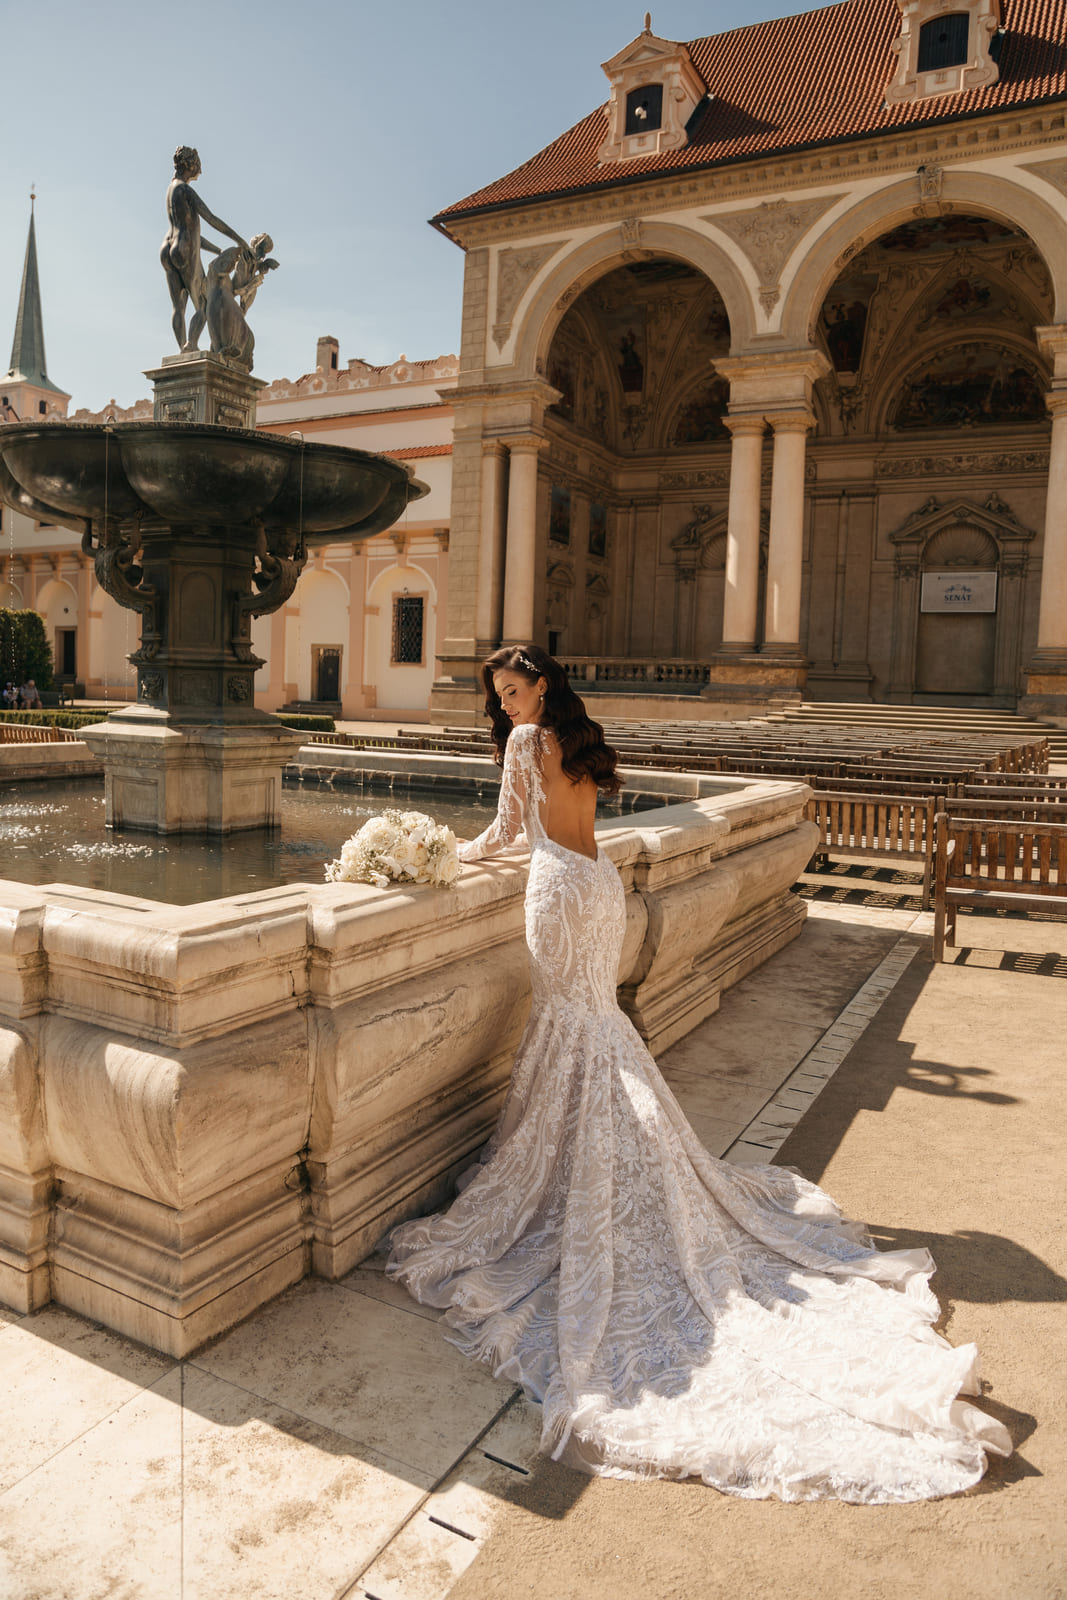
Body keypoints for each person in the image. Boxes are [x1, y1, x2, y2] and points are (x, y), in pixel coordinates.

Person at [386, 645, 1011, 1502]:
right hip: (596, 885)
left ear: (540, 687)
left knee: (569, 1023)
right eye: (498, 695)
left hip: (558, 895)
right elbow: (567, 827)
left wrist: (426, 859)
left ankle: (573, 1166)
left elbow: (503, 837)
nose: (509, 704)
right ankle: (598, 1158)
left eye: (516, 689)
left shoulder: (526, 746)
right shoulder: (574, 742)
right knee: (591, 1024)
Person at [160, 146, 250, 354]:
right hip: (184, 248)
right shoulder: (185, 190)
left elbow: (189, 229)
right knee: (204, 303)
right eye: (198, 167)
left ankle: (183, 349)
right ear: (190, 165)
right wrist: (238, 239)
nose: (199, 173)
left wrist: (217, 249)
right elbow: (210, 218)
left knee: (178, 307)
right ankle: (190, 345)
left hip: (168, 246)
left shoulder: (170, 189)